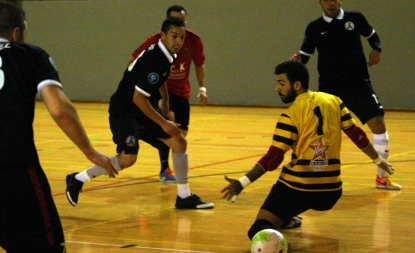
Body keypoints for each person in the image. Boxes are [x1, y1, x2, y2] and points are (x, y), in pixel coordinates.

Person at [0, 2, 116, 252]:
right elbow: (59, 109)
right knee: (49, 247)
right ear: (16, 33)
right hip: (14, 167)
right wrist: (90, 152)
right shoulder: (29, 54)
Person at [221, 60, 395, 239]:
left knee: (259, 229)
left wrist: (242, 182)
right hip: (332, 191)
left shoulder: (290, 115)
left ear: (297, 85)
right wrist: (378, 160)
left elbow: (274, 157)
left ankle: (274, 235)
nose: (277, 89)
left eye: (282, 84)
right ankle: (285, 219)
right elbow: (356, 134)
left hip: (300, 189)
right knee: (287, 205)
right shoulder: (334, 101)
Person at [66, 17, 214, 210]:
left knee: (179, 142)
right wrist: (163, 121)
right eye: (174, 36)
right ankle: (78, 179)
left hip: (142, 109)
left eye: (181, 37)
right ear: (163, 35)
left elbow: (159, 80)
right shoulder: (156, 59)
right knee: (128, 159)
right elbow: (138, 98)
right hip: (125, 111)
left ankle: (184, 196)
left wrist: (166, 101)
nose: (178, 41)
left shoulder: (166, 54)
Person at [289, 0, 400, 190]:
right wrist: (297, 62)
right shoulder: (314, 27)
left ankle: (382, 178)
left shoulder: (354, 18)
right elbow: (304, 56)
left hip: (358, 84)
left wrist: (377, 49)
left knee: (379, 125)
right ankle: (312, 176)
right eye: (325, 0)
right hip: (329, 89)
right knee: (320, 134)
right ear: (320, 2)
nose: (330, 3)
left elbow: (372, 35)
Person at [126, 5, 208, 182]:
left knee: (181, 134)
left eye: (183, 19)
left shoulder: (193, 40)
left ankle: (148, 137)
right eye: (176, 18)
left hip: (182, 92)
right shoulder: (155, 40)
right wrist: (134, 84)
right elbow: (133, 59)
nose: (181, 22)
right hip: (161, 91)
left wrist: (202, 88)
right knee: (169, 128)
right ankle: (166, 170)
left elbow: (199, 63)